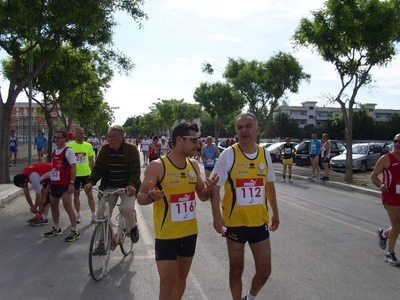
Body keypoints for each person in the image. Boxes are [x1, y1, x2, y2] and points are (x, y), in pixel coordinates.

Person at [136, 122, 218, 300]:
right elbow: (140, 197)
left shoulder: (194, 166)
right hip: (166, 235)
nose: (198, 144)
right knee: (168, 282)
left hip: (189, 233)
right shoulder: (158, 166)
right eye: (194, 140)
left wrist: (209, 189)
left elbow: (202, 196)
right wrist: (151, 197)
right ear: (180, 140)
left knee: (181, 278)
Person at [210, 112, 279, 300]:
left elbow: (269, 184)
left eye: (248, 126)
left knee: (264, 270)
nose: (244, 130)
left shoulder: (264, 154)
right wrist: (217, 217)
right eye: (240, 127)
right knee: (236, 269)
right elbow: (215, 187)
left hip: (259, 222)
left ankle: (251, 296)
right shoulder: (228, 154)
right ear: (236, 132)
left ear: (257, 130)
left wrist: (275, 212)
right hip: (235, 224)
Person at [84, 125, 141, 244]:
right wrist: (90, 182)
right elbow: (98, 168)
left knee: (126, 208)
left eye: (113, 137)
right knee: (101, 213)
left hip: (127, 187)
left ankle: (132, 228)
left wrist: (131, 185)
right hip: (109, 187)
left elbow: (135, 171)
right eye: (109, 136)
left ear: (121, 138)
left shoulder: (131, 149)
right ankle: (102, 241)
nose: (110, 139)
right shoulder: (105, 149)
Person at [44, 130, 80, 242]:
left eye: (59, 137)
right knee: (54, 206)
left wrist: (72, 183)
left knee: (67, 206)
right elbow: (53, 167)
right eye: (55, 137)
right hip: (54, 183)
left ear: (64, 139)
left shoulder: (68, 151)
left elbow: (74, 168)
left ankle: (74, 230)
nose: (56, 139)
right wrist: (50, 182)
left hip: (65, 184)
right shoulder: (54, 151)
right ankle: (56, 227)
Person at [370, 133, 400, 267]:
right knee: (397, 225)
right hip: (390, 195)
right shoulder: (385, 159)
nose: (398, 144)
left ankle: (383, 234)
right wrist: (380, 185)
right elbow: (373, 176)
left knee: (398, 226)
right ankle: (390, 254)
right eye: (396, 141)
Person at [68, 127, 96, 224]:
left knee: (90, 195)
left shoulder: (88, 146)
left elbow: (91, 160)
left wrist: (94, 174)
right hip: (75, 175)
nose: (82, 135)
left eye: (83, 133)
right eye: (80, 133)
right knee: (76, 194)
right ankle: (78, 214)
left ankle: (93, 214)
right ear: (75, 135)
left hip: (86, 174)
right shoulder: (70, 146)